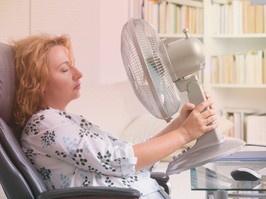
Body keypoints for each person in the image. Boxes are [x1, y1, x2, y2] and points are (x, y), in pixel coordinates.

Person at [12, 34, 218, 199]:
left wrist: (180, 124)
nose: (78, 73)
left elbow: (126, 155)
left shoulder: (63, 120)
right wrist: (184, 133)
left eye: (73, 64)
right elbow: (117, 160)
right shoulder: (45, 125)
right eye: (65, 69)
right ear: (36, 84)